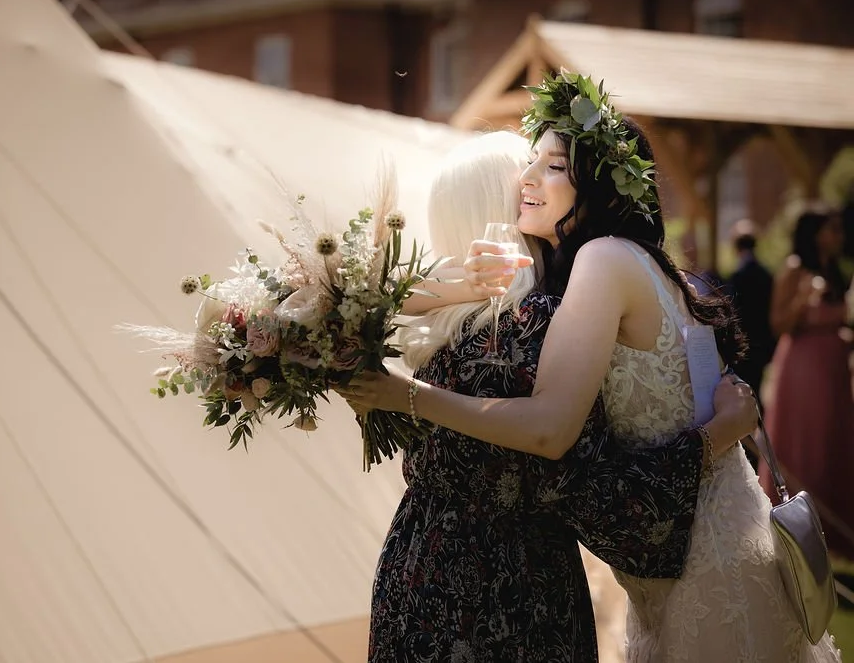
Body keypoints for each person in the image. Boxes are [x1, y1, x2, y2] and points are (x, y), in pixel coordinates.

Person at [342, 73, 840, 661]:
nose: (526, 181)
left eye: (553, 167)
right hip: (694, 556)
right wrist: (452, 285)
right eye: (531, 165)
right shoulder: (626, 268)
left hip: (697, 564)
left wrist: (407, 395)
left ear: (599, 186)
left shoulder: (601, 263)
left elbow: (553, 432)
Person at [763, 209, 854, 561]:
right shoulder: (795, 269)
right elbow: (777, 323)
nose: (840, 235)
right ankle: (800, 525)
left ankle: (835, 530)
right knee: (807, 440)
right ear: (816, 234)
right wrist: (803, 298)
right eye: (832, 229)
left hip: (834, 372)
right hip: (803, 372)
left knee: (834, 440)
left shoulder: (837, 273)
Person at [725, 219, 776, 400]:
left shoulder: (737, 275)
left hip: (744, 343)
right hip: (763, 342)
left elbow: (733, 311)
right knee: (757, 389)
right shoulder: (767, 274)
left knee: (745, 392)